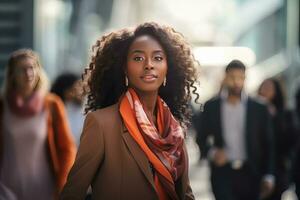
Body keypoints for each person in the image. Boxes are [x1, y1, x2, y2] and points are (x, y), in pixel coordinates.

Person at [60, 22, 198, 200]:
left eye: (157, 58)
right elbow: (73, 193)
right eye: (138, 58)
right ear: (124, 68)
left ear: (167, 68)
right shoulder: (101, 124)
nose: (149, 65)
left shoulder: (174, 128)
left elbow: (185, 193)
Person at [0, 49, 76, 199]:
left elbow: (67, 149)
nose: (29, 73)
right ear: (12, 75)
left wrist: (62, 185)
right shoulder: (2, 106)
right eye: (22, 69)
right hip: (6, 189)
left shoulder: (52, 104)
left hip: (45, 189)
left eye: (32, 67)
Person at [196, 60, 275, 200]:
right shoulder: (211, 106)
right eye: (232, 77)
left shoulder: (259, 108)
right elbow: (200, 137)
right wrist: (213, 153)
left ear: (245, 78)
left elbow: (269, 144)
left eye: (240, 77)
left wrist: (269, 175)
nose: (236, 82)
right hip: (222, 174)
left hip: (252, 173)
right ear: (225, 78)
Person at [258, 78, 295, 200]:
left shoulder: (286, 114)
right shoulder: (254, 112)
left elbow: (289, 140)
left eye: (269, 88)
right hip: (257, 168)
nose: (265, 91)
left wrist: (275, 118)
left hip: (278, 169)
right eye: (263, 87)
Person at [51, 73, 85, 146]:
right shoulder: (55, 111)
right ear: (67, 91)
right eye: (78, 85)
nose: (82, 89)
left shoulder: (82, 111)